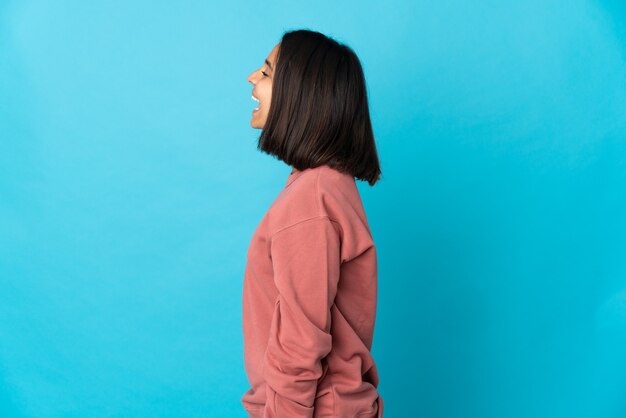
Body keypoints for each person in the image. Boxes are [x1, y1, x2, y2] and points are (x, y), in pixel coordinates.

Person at [242, 29, 384, 418]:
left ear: (301, 93)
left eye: (268, 72)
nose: (253, 77)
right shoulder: (329, 186)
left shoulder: (311, 199)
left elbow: (302, 344)